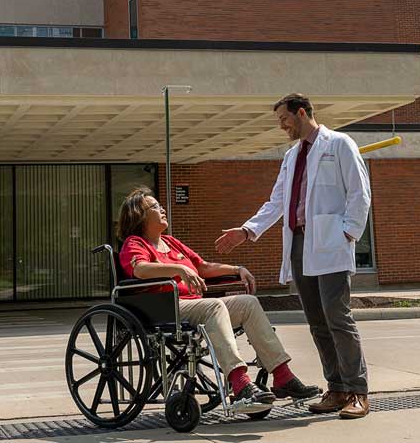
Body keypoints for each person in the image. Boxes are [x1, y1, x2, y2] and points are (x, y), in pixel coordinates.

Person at [216, 93, 372, 419]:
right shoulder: (290, 157)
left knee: (338, 318)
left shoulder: (339, 144)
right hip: (300, 245)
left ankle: (358, 391)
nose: (282, 125)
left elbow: (359, 192)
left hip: (330, 244)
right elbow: (275, 203)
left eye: (284, 119)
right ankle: (337, 388)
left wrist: (347, 233)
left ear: (301, 113)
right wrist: (246, 231)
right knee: (317, 322)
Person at [118, 187, 320, 411]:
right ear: (139, 215)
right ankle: (240, 382)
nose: (162, 209)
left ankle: (283, 377)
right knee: (213, 306)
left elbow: (202, 267)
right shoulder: (134, 244)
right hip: (167, 307)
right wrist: (178, 269)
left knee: (248, 303)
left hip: (196, 306)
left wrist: (237, 269)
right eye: (155, 206)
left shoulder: (171, 242)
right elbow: (141, 269)